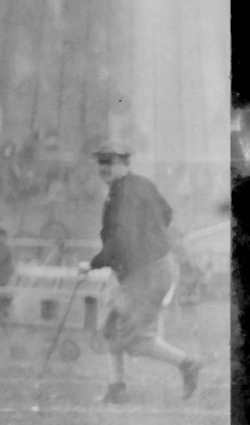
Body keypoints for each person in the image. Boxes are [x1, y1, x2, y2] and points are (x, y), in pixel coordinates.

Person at [87, 145, 203, 402]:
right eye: (100, 162)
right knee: (111, 326)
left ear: (124, 163)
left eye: (109, 162)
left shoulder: (123, 195)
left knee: (137, 340)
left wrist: (93, 263)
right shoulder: (137, 185)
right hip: (134, 271)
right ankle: (117, 388)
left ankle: (187, 363)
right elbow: (166, 214)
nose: (103, 168)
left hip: (147, 274)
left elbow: (120, 239)